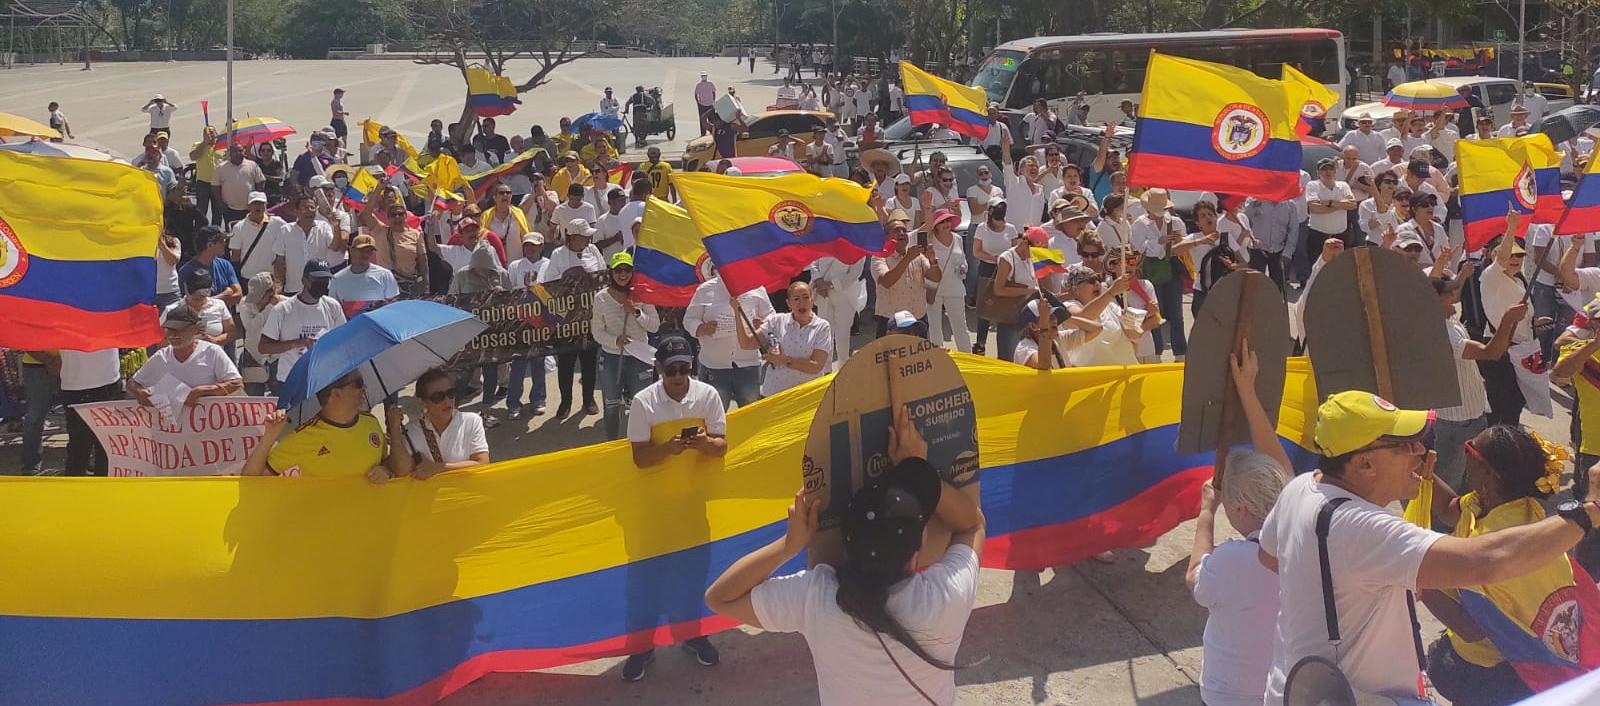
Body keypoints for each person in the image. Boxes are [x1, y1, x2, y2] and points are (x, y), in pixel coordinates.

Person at [1257, 390, 1600, 706]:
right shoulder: (1365, 529)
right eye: (1403, 445)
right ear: (1364, 464)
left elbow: (1269, 556)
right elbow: (1487, 561)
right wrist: (1589, 512)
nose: (1420, 451)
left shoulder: (1301, 488)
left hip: (1299, 687)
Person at [705, 405, 984, 706]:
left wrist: (789, 546)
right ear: (917, 551)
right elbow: (972, 524)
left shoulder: (817, 598)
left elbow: (720, 597)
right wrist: (917, 471)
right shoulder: (944, 599)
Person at [1185, 343, 1291, 706]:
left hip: (1229, 695)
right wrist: (1247, 391)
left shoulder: (1234, 560)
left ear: (1241, 507)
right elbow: (1285, 474)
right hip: (1286, 690)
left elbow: (1195, 578)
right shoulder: (1304, 536)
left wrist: (1206, 514)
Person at [1434, 275, 1524, 492]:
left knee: (1469, 477)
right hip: (1458, 419)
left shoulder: (1450, 321)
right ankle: (1442, 525)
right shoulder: (1444, 332)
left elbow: (1498, 348)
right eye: (1448, 292)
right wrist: (1507, 319)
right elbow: (1491, 353)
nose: (1453, 295)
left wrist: (1511, 323)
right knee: (1451, 481)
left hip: (1470, 413)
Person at [243, 370, 411, 481]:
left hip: (369, 524)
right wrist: (268, 438)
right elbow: (251, 479)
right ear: (335, 393)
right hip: (325, 528)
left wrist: (386, 471)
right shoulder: (304, 436)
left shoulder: (371, 422)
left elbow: (388, 464)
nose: (364, 389)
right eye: (358, 384)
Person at [592, 252, 661, 440]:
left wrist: (637, 312)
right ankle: (612, 443)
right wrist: (615, 340)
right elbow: (597, 332)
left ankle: (641, 441)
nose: (623, 274)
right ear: (611, 272)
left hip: (639, 357)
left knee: (641, 403)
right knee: (612, 404)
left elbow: (655, 326)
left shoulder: (641, 295)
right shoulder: (601, 298)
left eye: (627, 270)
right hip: (612, 357)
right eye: (618, 270)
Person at [542, 219, 607, 418]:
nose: (588, 238)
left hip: (590, 317)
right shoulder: (558, 255)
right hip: (567, 320)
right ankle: (565, 401)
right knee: (566, 363)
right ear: (571, 237)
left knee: (589, 361)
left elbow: (603, 276)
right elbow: (549, 285)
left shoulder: (593, 250)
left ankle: (588, 399)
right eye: (584, 235)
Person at [685, 269, 774, 410]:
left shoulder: (757, 289)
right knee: (714, 416)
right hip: (714, 365)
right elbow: (689, 320)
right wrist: (702, 328)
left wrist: (763, 324)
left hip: (748, 365)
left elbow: (771, 316)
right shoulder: (705, 290)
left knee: (751, 415)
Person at [128, 304, 244, 406]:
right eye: (170, 330)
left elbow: (237, 383)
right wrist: (140, 393)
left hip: (207, 425)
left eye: (180, 329)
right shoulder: (162, 356)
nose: (174, 335)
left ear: (195, 329)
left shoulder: (211, 352)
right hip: (171, 427)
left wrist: (202, 391)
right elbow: (133, 383)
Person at [259, 261, 347, 389]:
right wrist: (296, 343)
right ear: (304, 280)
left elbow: (342, 339)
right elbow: (263, 347)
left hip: (322, 378)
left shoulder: (332, 306)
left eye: (325, 280)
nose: (322, 284)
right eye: (317, 280)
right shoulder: (283, 310)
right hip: (290, 379)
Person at [744, 282, 832, 397]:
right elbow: (747, 343)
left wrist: (782, 360)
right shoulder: (776, 321)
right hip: (775, 394)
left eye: (806, 297)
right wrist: (736, 310)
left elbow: (815, 366)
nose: (802, 303)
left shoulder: (822, 327)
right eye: (796, 299)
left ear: (812, 300)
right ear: (788, 303)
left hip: (807, 396)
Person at [400, 368, 490, 479]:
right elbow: (400, 471)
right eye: (438, 397)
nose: (447, 401)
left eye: (450, 393)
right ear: (422, 402)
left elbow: (482, 464)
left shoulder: (471, 421)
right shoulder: (410, 431)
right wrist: (394, 430)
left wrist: (437, 468)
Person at [58, 348, 122, 476]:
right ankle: (74, 491)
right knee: (79, 447)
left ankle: (102, 489)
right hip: (76, 384)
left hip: (109, 379)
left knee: (107, 446)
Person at [505, 235, 549, 419]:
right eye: (527, 245)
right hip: (520, 321)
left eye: (534, 246)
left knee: (539, 362)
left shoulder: (549, 264)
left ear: (541, 247)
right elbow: (509, 293)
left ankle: (538, 399)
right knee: (518, 364)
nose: (530, 249)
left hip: (542, 321)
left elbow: (553, 291)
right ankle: (513, 403)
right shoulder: (515, 266)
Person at [873, 211, 932, 338]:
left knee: (920, 357)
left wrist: (934, 262)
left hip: (918, 319)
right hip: (891, 322)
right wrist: (907, 259)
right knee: (889, 358)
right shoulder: (879, 256)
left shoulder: (917, 255)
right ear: (886, 236)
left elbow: (935, 278)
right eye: (896, 230)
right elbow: (886, 282)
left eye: (904, 230)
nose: (901, 233)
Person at [361, 194, 429, 297]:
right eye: (393, 215)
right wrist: (378, 189)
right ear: (387, 218)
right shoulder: (380, 231)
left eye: (400, 214)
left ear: (406, 216)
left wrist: (426, 285)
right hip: (385, 285)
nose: (397, 217)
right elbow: (366, 214)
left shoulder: (416, 234)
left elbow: (423, 261)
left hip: (408, 285)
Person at [809, 254, 865, 369]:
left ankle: (843, 368)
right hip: (822, 293)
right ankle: (825, 369)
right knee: (824, 332)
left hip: (845, 295)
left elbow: (855, 273)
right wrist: (819, 281)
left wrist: (830, 284)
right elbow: (812, 260)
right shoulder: (824, 238)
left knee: (843, 333)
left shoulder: (855, 244)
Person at [167, 268, 238, 354]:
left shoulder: (219, 305)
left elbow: (232, 332)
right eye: (195, 298)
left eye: (201, 298)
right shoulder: (172, 310)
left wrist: (215, 340)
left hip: (214, 358)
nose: (198, 301)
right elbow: (163, 341)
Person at [1012, 299, 1098, 369]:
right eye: (1048, 317)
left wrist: (1067, 318)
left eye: (1054, 315)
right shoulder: (1024, 348)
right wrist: (1044, 326)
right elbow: (1044, 365)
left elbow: (1096, 329)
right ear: (1033, 326)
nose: (1054, 320)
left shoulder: (1059, 338)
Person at [229, 191, 289, 286]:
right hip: (248, 277)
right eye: (255, 203)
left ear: (266, 205)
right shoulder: (239, 227)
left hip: (271, 276)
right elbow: (236, 255)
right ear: (248, 207)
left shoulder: (278, 223)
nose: (258, 206)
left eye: (261, 204)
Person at [329, 234, 400, 311]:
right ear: (352, 250)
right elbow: (333, 309)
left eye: (369, 252)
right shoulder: (337, 279)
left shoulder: (385, 275)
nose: (365, 254)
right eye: (362, 250)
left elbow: (393, 305)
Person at [16, 351, 59, 474]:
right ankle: (30, 465)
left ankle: (79, 463)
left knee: (76, 416)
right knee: (35, 417)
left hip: (72, 362)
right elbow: (23, 340)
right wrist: (49, 361)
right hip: (36, 365)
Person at [238, 273, 282, 396]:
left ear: (270, 292)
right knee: (253, 401)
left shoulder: (285, 304)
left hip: (277, 358)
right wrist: (268, 308)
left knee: (281, 400)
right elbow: (251, 327)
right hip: (253, 357)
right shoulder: (245, 303)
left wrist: (274, 306)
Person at [179, 226, 243, 307]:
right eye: (222, 241)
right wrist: (224, 295)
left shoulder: (225, 265)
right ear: (209, 245)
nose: (225, 244)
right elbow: (191, 304)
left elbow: (238, 296)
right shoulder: (186, 271)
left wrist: (208, 301)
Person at [1306, 157, 1358, 256]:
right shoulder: (1312, 185)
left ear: (1335, 171)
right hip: (1319, 235)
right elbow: (1314, 208)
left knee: (1340, 266)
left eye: (1330, 169)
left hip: (1341, 235)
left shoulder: (1343, 185)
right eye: (1324, 169)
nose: (1327, 172)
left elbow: (1352, 204)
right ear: (1318, 172)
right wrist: (1341, 206)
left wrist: (1329, 203)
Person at [998, 128, 1047, 228]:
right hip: (1015, 235)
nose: (1034, 168)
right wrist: (1006, 149)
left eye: (1036, 166)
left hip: (1033, 235)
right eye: (1030, 165)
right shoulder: (1013, 183)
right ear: (1021, 170)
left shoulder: (1040, 190)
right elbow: (1007, 165)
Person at [695, 72, 717, 136]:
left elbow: (713, 93)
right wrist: (698, 102)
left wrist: (713, 101)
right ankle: (704, 133)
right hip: (704, 104)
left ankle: (709, 132)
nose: (704, 77)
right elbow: (696, 95)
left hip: (707, 104)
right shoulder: (700, 85)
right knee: (706, 119)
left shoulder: (709, 84)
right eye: (703, 76)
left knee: (710, 119)